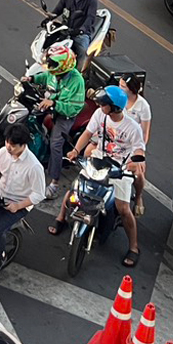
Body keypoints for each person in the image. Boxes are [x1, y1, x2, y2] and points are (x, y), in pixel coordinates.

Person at [48, 85, 145, 267]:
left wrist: (133, 162)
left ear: (114, 107)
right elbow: (88, 133)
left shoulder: (133, 127)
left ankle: (134, 247)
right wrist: (76, 150)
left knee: (124, 209)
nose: (100, 106)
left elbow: (139, 150)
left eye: (103, 104)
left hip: (119, 167)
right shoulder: (100, 115)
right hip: (98, 160)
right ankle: (61, 218)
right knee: (75, 190)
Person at [27, 41, 86, 199]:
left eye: (53, 64)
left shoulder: (77, 81)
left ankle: (54, 182)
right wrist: (31, 78)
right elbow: (45, 77)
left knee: (55, 144)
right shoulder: (54, 73)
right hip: (49, 105)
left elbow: (74, 108)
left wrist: (54, 104)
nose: (50, 66)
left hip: (65, 115)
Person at [0, 122, 46, 264]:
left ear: (23, 145)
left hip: (17, 204)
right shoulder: (3, 152)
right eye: (7, 142)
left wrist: (17, 206)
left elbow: (38, 194)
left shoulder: (34, 167)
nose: (8, 147)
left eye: (13, 145)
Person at [49, 0, 99, 67]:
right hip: (65, 29)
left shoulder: (91, 0)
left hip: (80, 34)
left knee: (82, 51)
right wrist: (49, 18)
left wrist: (81, 30)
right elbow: (57, 10)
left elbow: (90, 18)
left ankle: (78, 72)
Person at [120, 74, 151, 216]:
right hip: (115, 140)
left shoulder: (143, 106)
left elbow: (144, 135)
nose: (120, 88)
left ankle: (138, 197)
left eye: (123, 86)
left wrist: (138, 153)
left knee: (138, 174)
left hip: (132, 146)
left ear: (132, 90)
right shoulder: (119, 99)